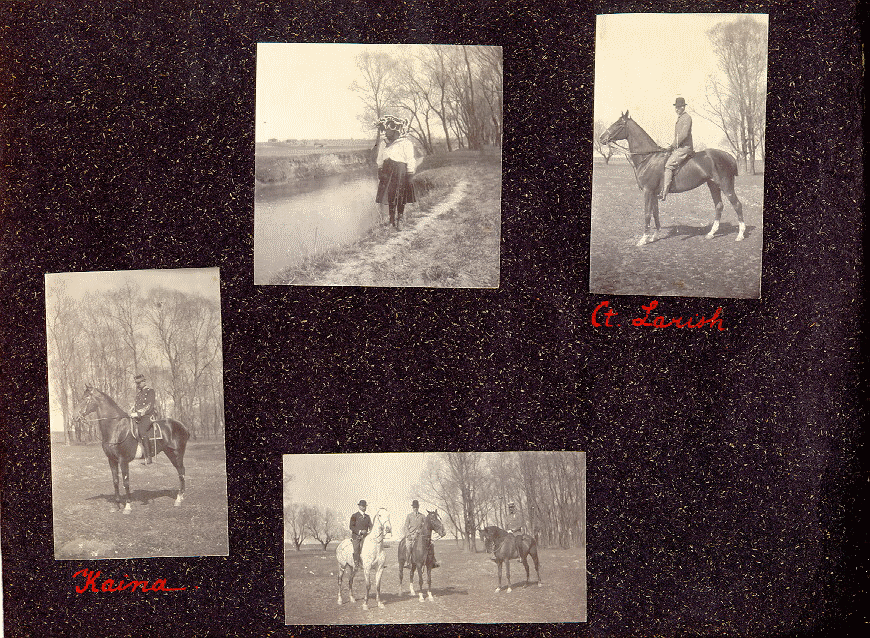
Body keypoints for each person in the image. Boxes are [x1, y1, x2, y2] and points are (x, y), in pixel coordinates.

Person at [375, 115, 417, 228]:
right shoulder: (384, 143)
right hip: (387, 170)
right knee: (390, 194)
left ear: (396, 130)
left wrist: (410, 173)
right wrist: (380, 169)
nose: (386, 132)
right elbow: (380, 157)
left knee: (400, 194)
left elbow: (410, 159)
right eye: (386, 130)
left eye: (389, 130)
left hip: (400, 170)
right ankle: (391, 219)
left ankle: (401, 217)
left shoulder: (405, 143)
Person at [660, 97, 694, 201]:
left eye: (679, 107)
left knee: (669, 165)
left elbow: (683, 135)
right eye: (676, 107)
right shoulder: (680, 118)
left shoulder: (687, 118)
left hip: (685, 148)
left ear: (683, 107)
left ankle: (664, 192)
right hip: (679, 148)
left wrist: (673, 145)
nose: (677, 109)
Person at [129, 373, 157, 465]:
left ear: (144, 382)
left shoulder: (150, 391)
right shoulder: (138, 394)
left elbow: (149, 406)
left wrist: (138, 413)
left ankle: (148, 457)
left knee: (141, 430)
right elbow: (136, 406)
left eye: (139, 383)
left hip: (147, 416)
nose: (138, 385)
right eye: (137, 383)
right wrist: (131, 411)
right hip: (138, 416)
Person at [403, 500, 439, 569]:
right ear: (412, 508)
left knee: (431, 544)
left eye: (416, 507)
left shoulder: (422, 516)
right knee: (408, 546)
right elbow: (406, 526)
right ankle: (408, 562)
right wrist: (408, 535)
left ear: (418, 507)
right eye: (414, 507)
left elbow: (426, 525)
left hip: (420, 535)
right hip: (411, 535)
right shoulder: (409, 516)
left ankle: (433, 561)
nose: (415, 508)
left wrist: (420, 531)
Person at [349, 500, 372, 568]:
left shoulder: (368, 517)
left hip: (365, 537)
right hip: (357, 536)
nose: (364, 508)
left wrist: (371, 531)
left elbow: (371, 526)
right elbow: (351, 526)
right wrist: (360, 531)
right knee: (356, 548)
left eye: (365, 506)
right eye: (362, 506)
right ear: (359, 506)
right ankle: (356, 563)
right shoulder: (354, 516)